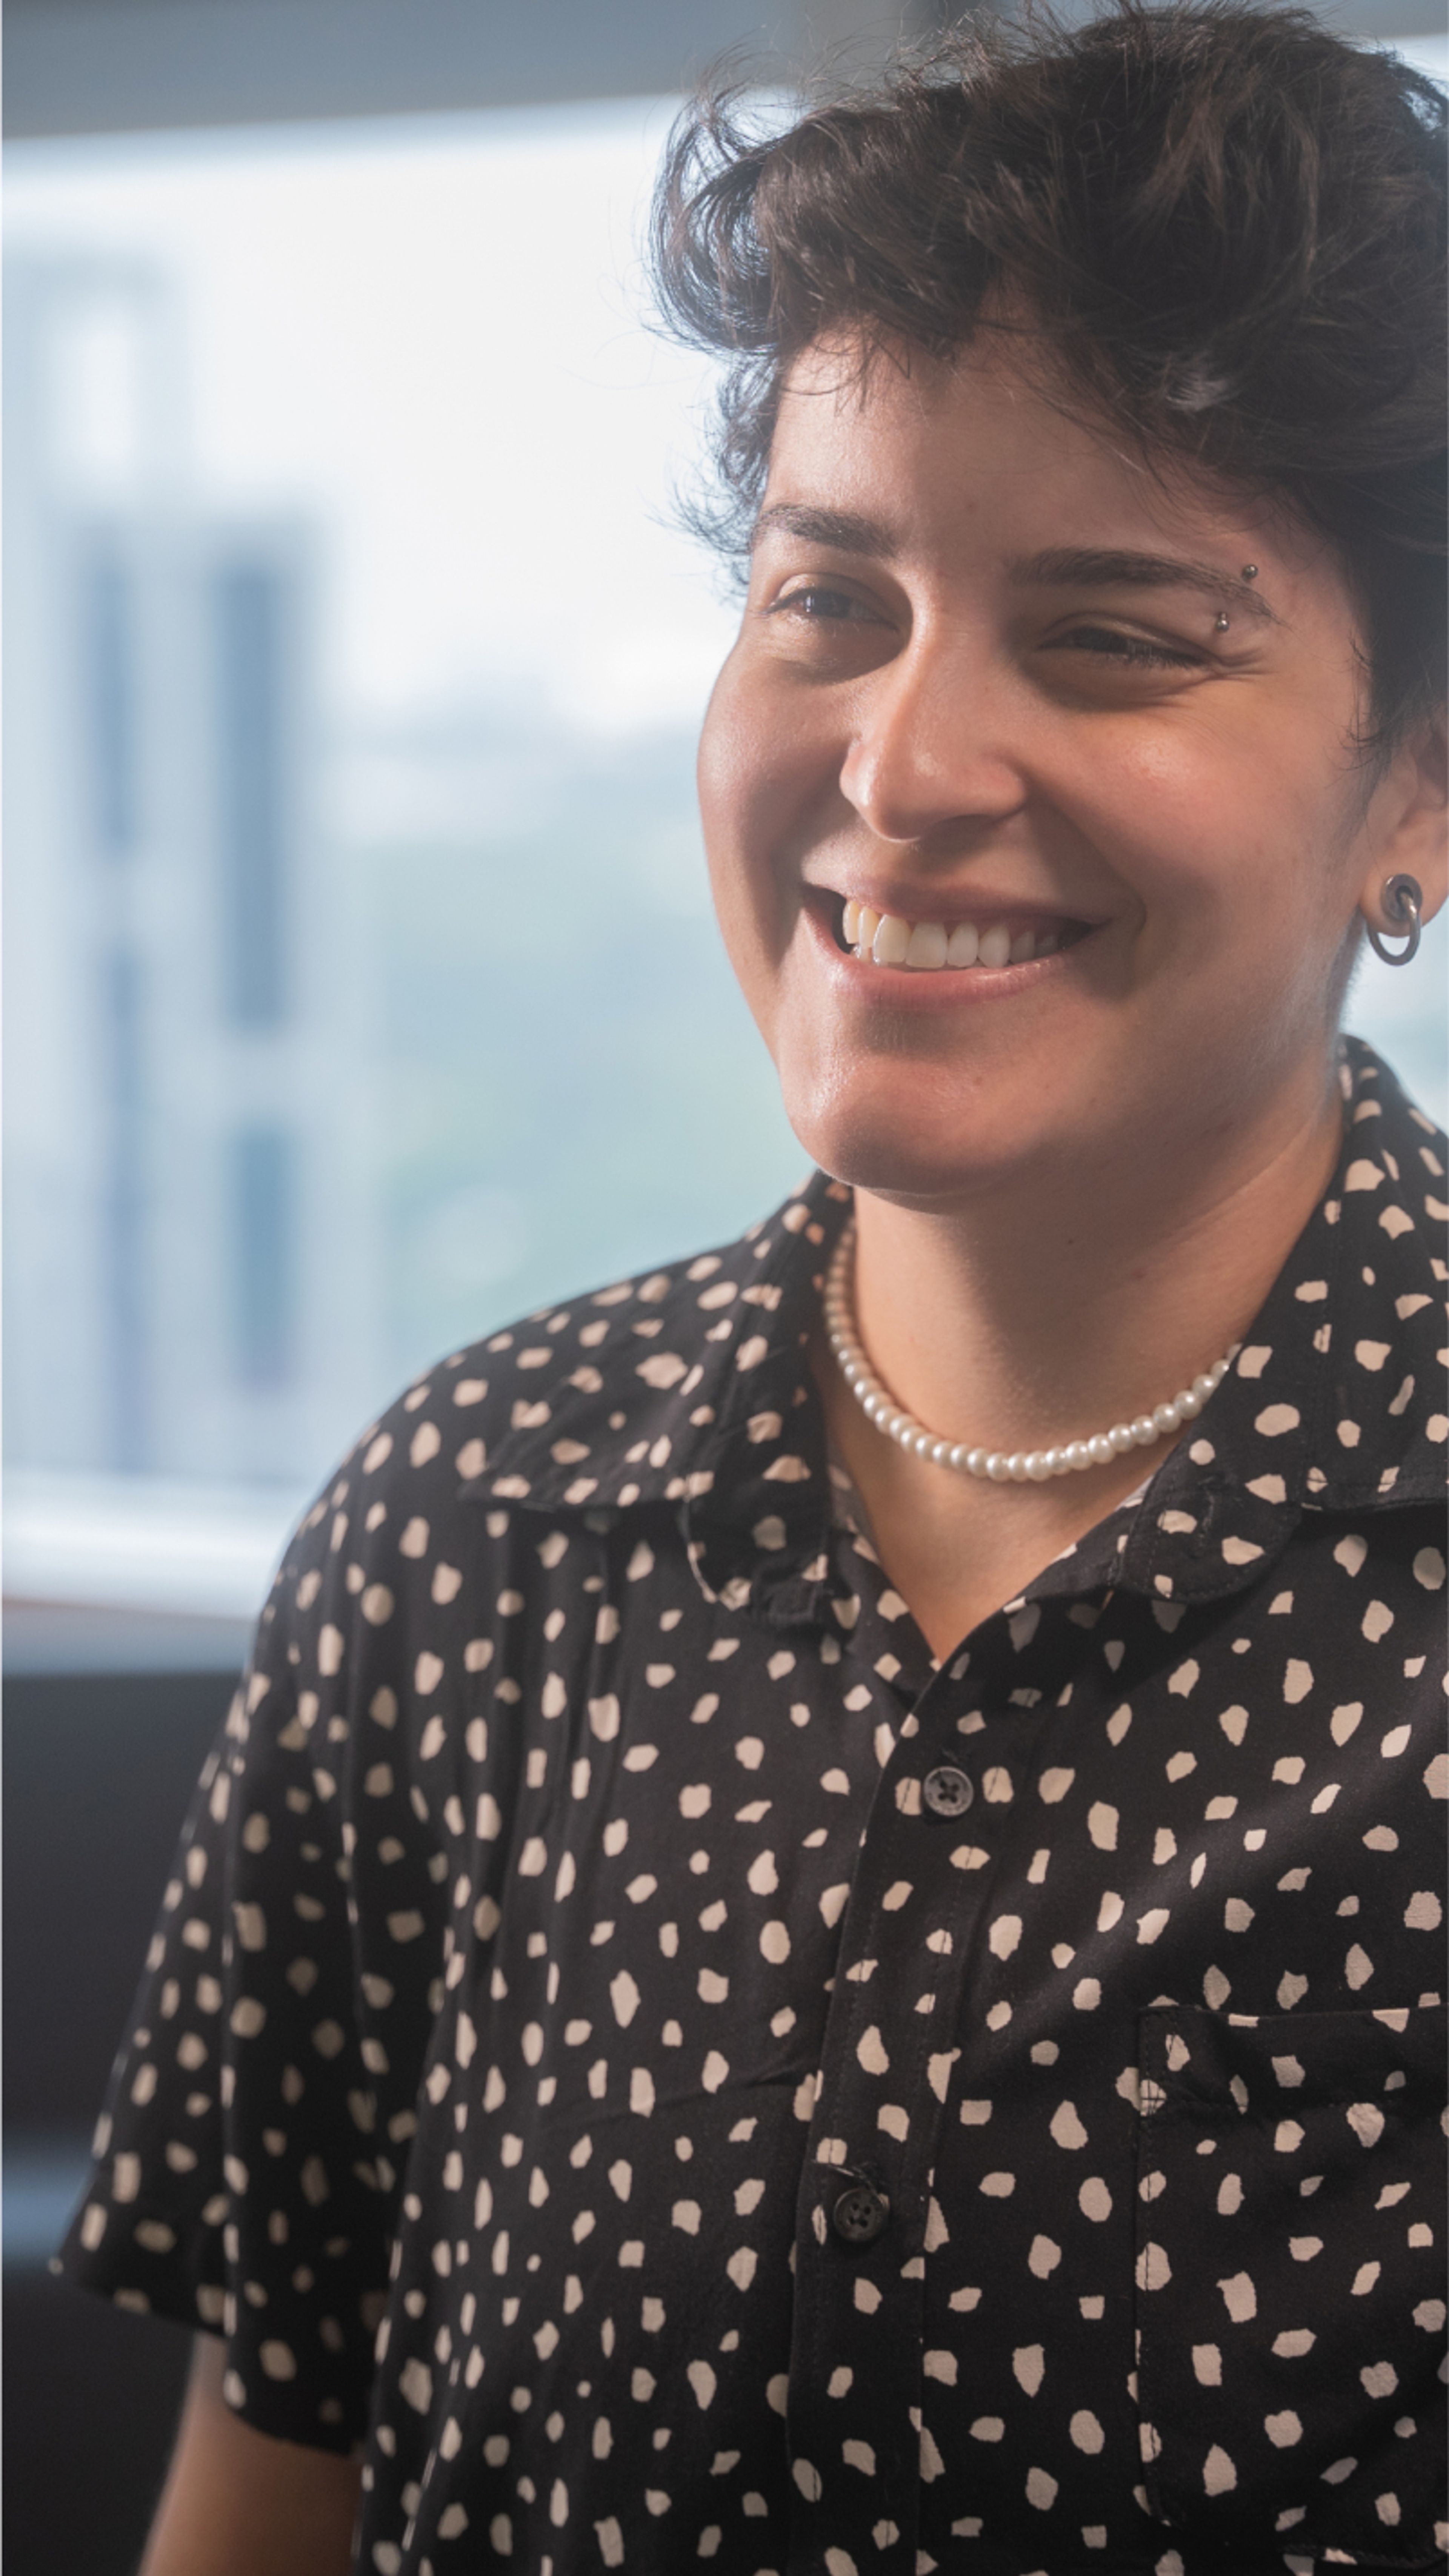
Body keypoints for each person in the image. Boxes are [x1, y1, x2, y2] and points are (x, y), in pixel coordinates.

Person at [58, 6, 1447, 2571]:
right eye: (832, 596)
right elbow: (270, 2494)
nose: (903, 768)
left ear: (1422, 783)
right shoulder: (473, 1516)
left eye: (1118, 634)